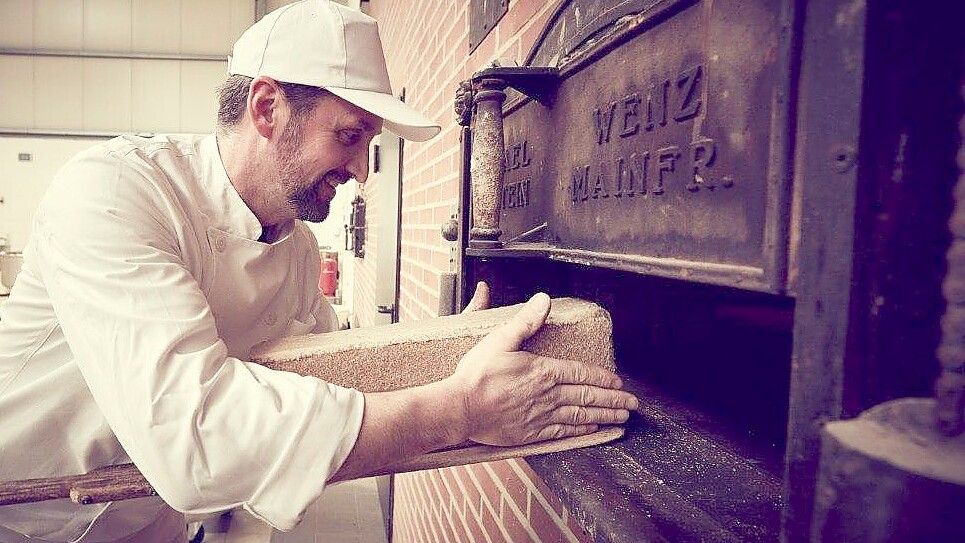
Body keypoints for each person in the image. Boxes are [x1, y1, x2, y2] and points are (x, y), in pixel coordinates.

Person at [0, 1, 638, 541]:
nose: (362, 172)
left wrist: (449, 355)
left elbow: (328, 374)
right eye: (351, 137)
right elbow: (196, 440)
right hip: (26, 517)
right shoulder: (116, 195)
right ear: (268, 108)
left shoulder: (298, 252)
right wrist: (459, 411)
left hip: (155, 528)